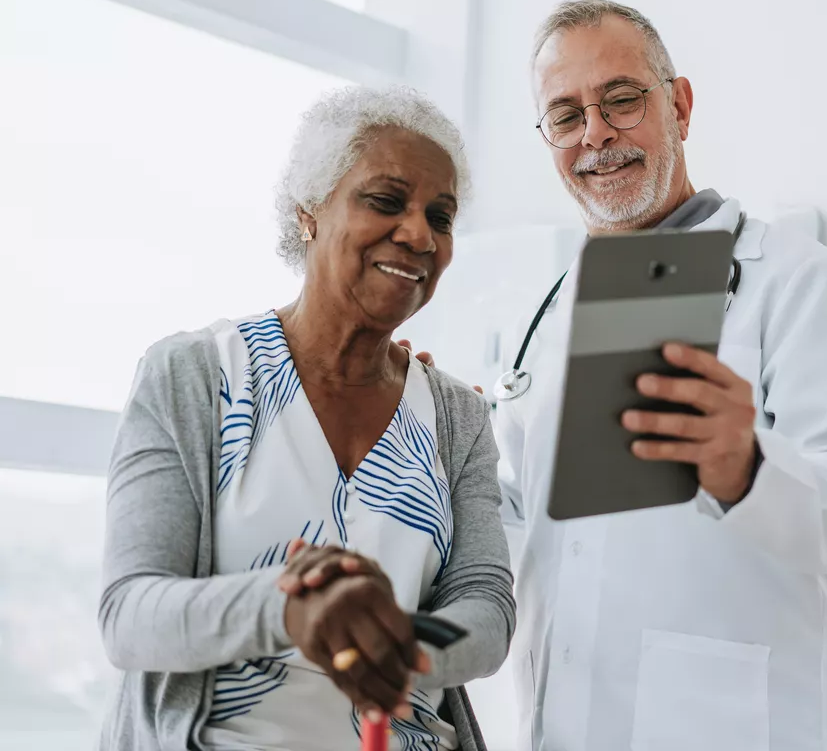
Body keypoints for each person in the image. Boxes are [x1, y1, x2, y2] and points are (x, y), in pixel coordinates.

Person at [493, 0, 827, 751]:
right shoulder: (549, 311)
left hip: (728, 722)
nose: (596, 135)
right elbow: (523, 521)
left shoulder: (794, 277)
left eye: (621, 100)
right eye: (565, 115)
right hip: (565, 719)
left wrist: (745, 466)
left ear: (679, 106)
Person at [97, 85, 514, 751]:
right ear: (308, 214)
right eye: (385, 201)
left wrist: (393, 644)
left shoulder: (456, 415)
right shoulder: (195, 375)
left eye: (441, 216)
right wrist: (293, 609)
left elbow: (486, 607)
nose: (418, 234)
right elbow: (130, 615)